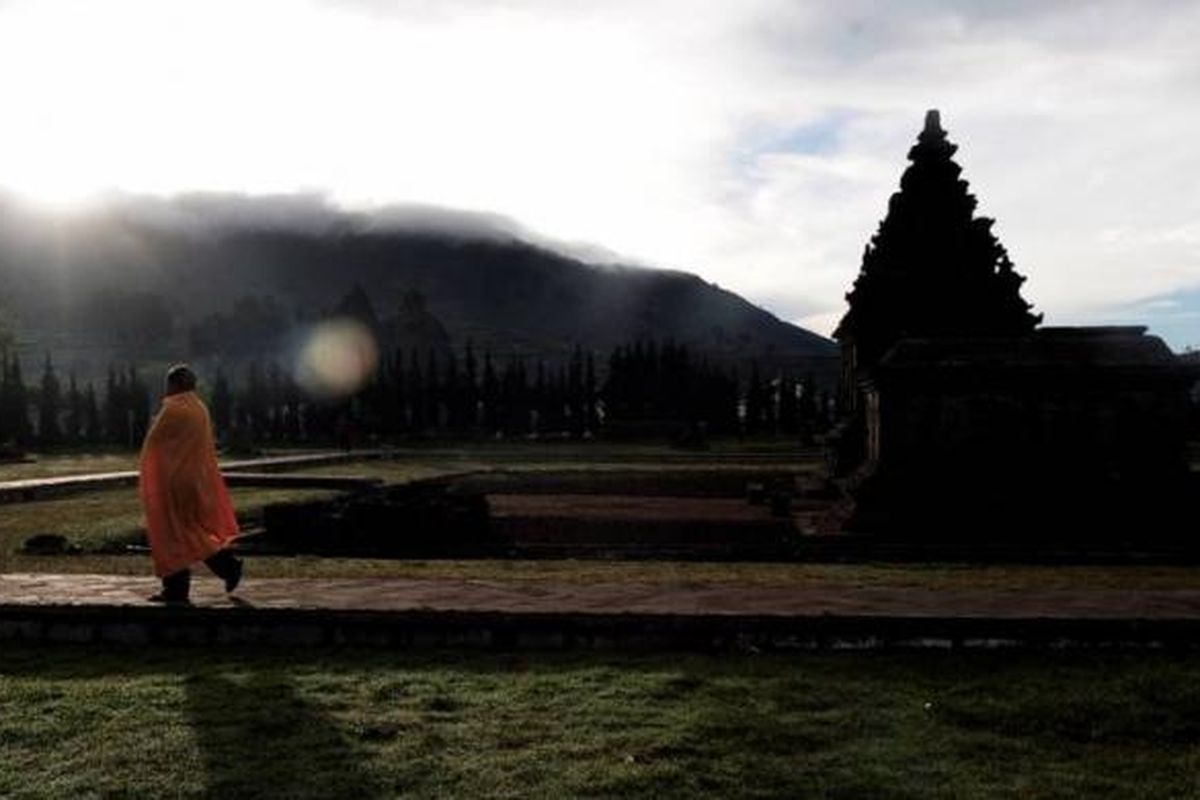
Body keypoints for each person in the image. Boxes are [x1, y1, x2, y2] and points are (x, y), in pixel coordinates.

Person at [139, 364, 243, 603]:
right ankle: (223, 568)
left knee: (172, 534)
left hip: (173, 482)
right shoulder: (198, 408)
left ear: (174, 385)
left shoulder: (174, 409)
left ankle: (181, 587)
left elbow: (155, 445)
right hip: (193, 480)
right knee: (189, 531)